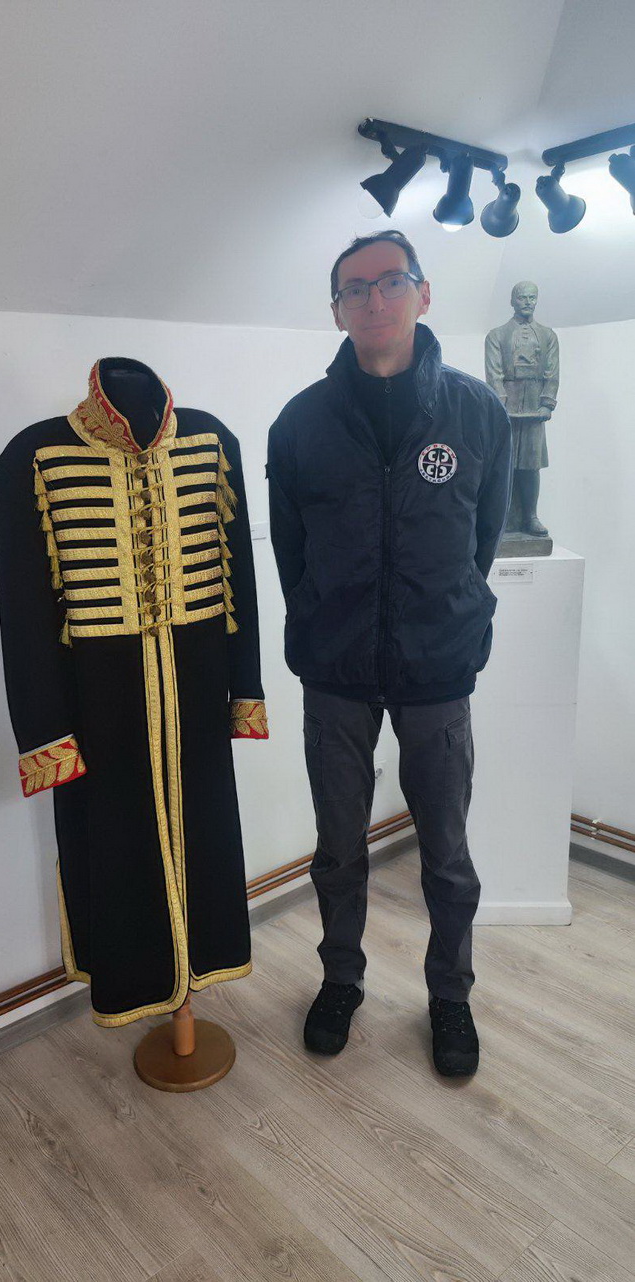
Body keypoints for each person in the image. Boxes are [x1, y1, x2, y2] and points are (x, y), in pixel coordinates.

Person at [267, 230, 512, 1077]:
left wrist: (447, 613)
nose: (373, 299)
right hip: (334, 667)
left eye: (390, 282)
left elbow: (482, 539)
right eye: (353, 288)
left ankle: (450, 996)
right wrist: (321, 620)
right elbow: (290, 553)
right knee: (339, 847)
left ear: (422, 293)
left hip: (437, 665)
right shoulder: (300, 423)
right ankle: (341, 979)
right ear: (336, 309)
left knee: (445, 849)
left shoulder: (477, 413)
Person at [485, 280, 559, 538]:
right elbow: (494, 373)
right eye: (522, 298)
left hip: (534, 406)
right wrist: (500, 404)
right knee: (504, 463)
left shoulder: (548, 336)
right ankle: (502, 517)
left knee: (531, 463)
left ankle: (530, 516)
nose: (527, 302)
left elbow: (552, 372)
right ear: (512, 301)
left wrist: (546, 403)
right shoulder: (496, 335)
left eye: (531, 297)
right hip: (508, 406)